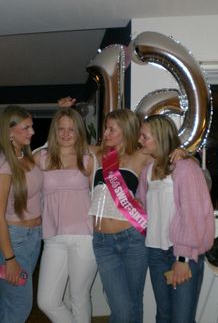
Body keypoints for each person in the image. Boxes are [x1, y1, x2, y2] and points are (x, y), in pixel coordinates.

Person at [88, 108, 186, 323]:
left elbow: (167, 148)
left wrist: (185, 152)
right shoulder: (99, 154)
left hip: (132, 238)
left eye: (111, 129)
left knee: (133, 303)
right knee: (121, 309)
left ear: (126, 130)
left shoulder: (140, 156)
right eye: (106, 128)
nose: (105, 133)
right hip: (103, 243)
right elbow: (66, 146)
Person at [136, 114, 215, 323]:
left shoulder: (185, 168)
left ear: (160, 137)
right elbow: (143, 206)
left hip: (180, 254)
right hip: (155, 252)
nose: (139, 140)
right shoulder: (147, 171)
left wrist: (183, 258)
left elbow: (193, 215)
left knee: (182, 319)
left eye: (145, 136)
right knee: (163, 315)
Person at [34, 107, 97, 323]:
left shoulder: (88, 159)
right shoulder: (40, 157)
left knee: (78, 298)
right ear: (54, 131)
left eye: (71, 129)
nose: (66, 134)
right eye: (61, 129)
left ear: (79, 131)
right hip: (52, 238)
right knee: (47, 301)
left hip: (85, 237)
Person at [0, 105, 43, 323]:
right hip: (15, 240)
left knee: (9, 303)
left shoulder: (28, 158)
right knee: (19, 306)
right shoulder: (5, 165)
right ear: (9, 132)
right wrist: (10, 259)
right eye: (26, 128)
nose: (32, 132)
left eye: (32, 127)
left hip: (34, 237)